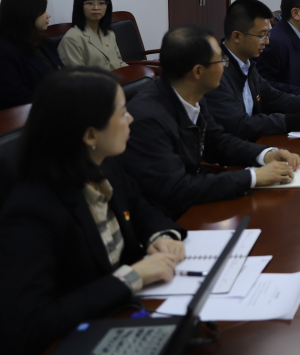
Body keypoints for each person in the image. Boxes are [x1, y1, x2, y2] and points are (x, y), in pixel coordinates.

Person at [0, 68, 186, 354]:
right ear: (90, 135)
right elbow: (30, 324)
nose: (131, 118)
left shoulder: (104, 163)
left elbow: (141, 208)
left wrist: (160, 235)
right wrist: (131, 276)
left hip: (122, 314)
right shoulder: (33, 210)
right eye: (122, 112)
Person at [121, 24, 300, 219]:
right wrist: (252, 177)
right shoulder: (148, 118)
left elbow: (219, 143)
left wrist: (266, 154)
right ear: (198, 72)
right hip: (166, 219)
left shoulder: (193, 95)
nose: (225, 65)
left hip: (191, 202)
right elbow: (175, 189)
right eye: (220, 59)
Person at [206, 0, 300, 142]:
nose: (267, 41)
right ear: (237, 36)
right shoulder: (216, 72)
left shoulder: (246, 64)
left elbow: (272, 96)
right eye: (262, 35)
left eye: (268, 34)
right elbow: (241, 124)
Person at [0, 0, 62, 110]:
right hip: (30, 113)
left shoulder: (44, 42)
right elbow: (14, 95)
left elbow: (63, 73)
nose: (48, 15)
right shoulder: (4, 51)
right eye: (43, 11)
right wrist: (59, 99)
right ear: (26, 14)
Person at [57, 0, 128, 70]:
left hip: (118, 78)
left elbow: (119, 63)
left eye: (101, 3)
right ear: (79, 6)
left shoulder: (109, 33)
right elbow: (78, 75)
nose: (96, 7)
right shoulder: (71, 39)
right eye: (90, 3)